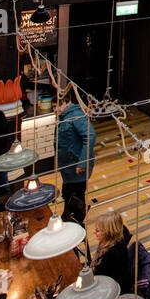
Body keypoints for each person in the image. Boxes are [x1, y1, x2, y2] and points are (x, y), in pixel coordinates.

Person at [92, 211, 150, 299]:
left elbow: (105, 282)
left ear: (108, 233)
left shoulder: (112, 254)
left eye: (97, 230)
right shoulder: (112, 242)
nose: (94, 232)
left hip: (115, 294)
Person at [55, 94, 95, 224]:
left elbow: (90, 135)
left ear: (67, 102)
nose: (55, 110)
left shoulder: (76, 115)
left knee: (76, 196)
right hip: (68, 169)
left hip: (77, 169)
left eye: (57, 106)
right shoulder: (63, 116)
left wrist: (82, 162)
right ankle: (68, 215)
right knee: (67, 193)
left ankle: (76, 221)